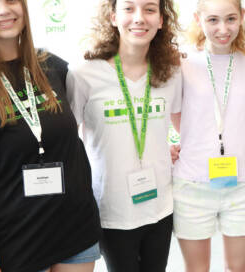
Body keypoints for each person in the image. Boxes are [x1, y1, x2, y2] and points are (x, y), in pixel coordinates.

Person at [0, 0, 102, 271]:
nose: (3, 10)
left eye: (11, 0)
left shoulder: (51, 67)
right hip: (16, 246)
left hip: (75, 231)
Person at [66, 0, 181, 271]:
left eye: (150, 9)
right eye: (129, 8)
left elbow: (185, 122)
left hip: (160, 205)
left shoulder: (172, 73)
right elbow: (67, 140)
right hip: (111, 209)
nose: (139, 18)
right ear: (113, 16)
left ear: (161, 20)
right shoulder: (85, 74)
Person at [171, 0, 245, 271]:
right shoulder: (183, 62)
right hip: (192, 183)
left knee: (237, 268)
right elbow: (177, 116)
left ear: (242, 17)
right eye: (213, 20)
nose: (223, 28)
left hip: (243, 182)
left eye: (230, 19)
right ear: (198, 19)